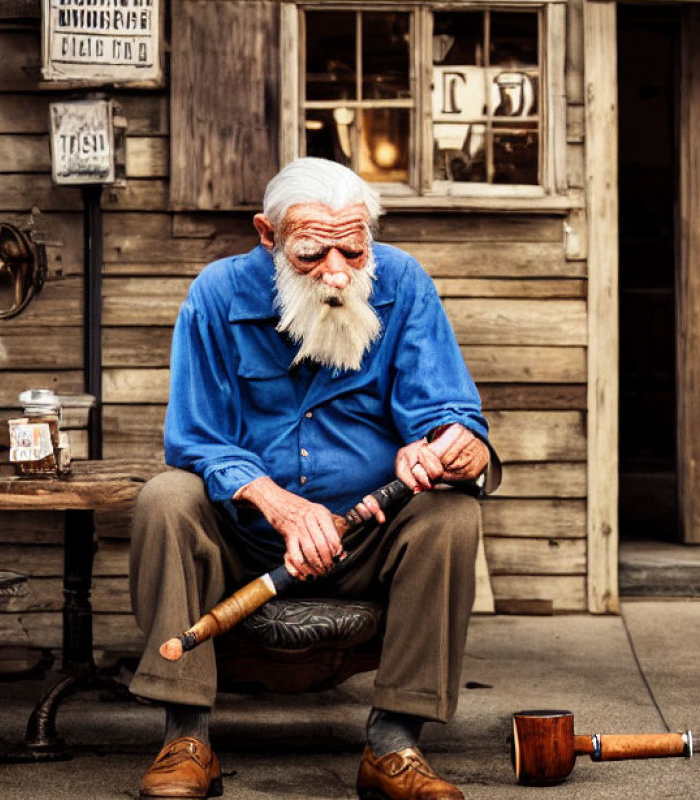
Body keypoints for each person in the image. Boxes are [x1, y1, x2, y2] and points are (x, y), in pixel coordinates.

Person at [128, 157, 499, 800]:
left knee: (451, 514)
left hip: (368, 534)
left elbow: (448, 412)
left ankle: (394, 745)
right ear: (268, 237)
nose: (336, 274)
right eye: (310, 254)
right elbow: (195, 438)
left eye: (353, 252)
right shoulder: (217, 295)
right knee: (166, 497)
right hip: (246, 541)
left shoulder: (403, 283)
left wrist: (452, 446)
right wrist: (276, 502)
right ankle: (185, 737)